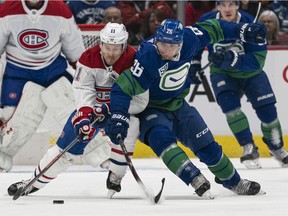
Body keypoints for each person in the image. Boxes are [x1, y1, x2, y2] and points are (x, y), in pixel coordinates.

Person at [104, 18, 267, 198]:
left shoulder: (190, 40)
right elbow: (122, 88)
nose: (165, 50)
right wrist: (119, 115)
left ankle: (234, 181)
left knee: (207, 146)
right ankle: (194, 178)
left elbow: (215, 27)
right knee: (162, 140)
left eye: (171, 45)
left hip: (179, 105)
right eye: (162, 43)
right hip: (151, 110)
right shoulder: (147, 57)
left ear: (180, 44)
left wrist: (241, 29)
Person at [7, 22, 148, 197]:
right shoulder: (88, 58)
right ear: (101, 44)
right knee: (66, 148)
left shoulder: (136, 61)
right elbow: (84, 91)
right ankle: (33, 182)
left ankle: (116, 174)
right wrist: (84, 117)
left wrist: (109, 108)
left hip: (119, 111)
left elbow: (141, 100)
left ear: (124, 46)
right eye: (107, 47)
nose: (111, 53)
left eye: (116, 48)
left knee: (131, 125)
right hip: (93, 111)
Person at [191, 0, 288, 169]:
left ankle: (277, 147)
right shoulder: (207, 20)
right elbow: (195, 42)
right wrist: (195, 63)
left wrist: (231, 59)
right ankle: (248, 146)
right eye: (223, 5)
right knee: (231, 110)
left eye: (231, 5)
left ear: (237, 6)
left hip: (252, 74)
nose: (227, 9)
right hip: (222, 74)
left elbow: (257, 61)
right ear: (218, 6)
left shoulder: (250, 22)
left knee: (268, 113)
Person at [0, 0, 85, 172]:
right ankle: (2, 157)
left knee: (75, 112)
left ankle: (101, 154)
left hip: (52, 71)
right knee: (8, 115)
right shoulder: (7, 10)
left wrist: (86, 78)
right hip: (18, 71)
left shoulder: (61, 10)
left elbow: (76, 53)